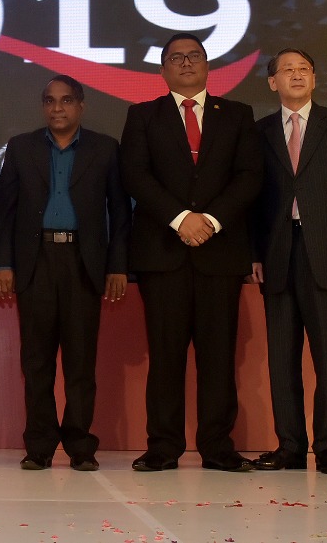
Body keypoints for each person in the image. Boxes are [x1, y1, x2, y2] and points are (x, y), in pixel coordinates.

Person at [119, 33, 262, 473]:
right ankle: (163, 447)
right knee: (165, 357)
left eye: (194, 56)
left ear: (207, 65)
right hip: (164, 253)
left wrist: (211, 221)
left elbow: (249, 176)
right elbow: (135, 175)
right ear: (163, 70)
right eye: (176, 58)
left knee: (218, 356)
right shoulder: (143, 116)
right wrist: (181, 219)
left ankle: (217, 447)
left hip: (220, 254)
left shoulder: (237, 114)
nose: (186, 63)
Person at [0, 75, 131, 472]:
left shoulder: (105, 148)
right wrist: (3, 264)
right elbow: (4, 212)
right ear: (43, 106)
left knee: (80, 363)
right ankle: (39, 447)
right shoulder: (21, 148)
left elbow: (121, 212)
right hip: (35, 262)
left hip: (83, 262)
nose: (57, 108)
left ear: (81, 105)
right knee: (36, 362)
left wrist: (117, 266)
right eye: (50, 100)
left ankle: (80, 446)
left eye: (66, 100)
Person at [248, 49, 327, 475]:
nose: (297, 75)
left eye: (304, 70)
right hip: (278, 256)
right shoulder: (259, 131)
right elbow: (252, 201)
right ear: (272, 82)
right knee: (282, 360)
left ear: (314, 78)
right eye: (288, 70)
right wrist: (254, 254)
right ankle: (290, 447)